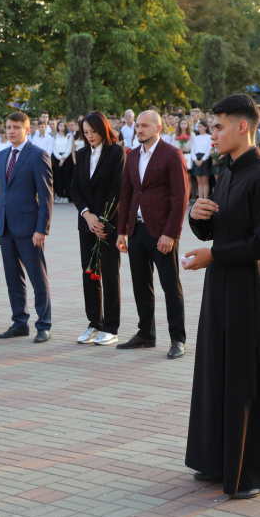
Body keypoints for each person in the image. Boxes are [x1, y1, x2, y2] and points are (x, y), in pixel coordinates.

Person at [183, 93, 260, 500]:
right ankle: (216, 459)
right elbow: (219, 230)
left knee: (244, 375)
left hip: (246, 289)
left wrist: (216, 254)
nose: (212, 134)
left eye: (219, 126)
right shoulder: (228, 172)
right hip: (220, 286)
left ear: (242, 127)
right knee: (216, 369)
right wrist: (198, 220)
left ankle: (249, 471)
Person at [115, 111, 188, 359]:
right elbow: (126, 194)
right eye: (137, 125)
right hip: (137, 231)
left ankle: (177, 339)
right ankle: (146, 333)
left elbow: (180, 198)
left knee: (170, 286)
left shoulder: (171, 154)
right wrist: (122, 231)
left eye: (145, 125)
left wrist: (171, 233)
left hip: (162, 233)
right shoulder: (132, 155)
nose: (139, 129)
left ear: (158, 128)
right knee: (140, 285)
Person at [0, 111, 54, 344]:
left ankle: (43, 324)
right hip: (5, 228)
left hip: (29, 229)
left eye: (17, 127)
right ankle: (19, 322)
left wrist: (42, 229)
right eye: (9, 127)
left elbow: (46, 196)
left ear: (27, 130)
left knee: (37, 277)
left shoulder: (37, 155)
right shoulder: (1, 155)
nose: (12, 131)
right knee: (13, 278)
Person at [70, 112, 124, 346]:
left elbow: (117, 188)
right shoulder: (82, 155)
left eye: (94, 131)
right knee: (89, 272)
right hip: (87, 223)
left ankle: (111, 327)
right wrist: (87, 215)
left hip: (107, 225)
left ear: (103, 129)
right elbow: (74, 188)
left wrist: (101, 220)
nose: (90, 136)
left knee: (110, 274)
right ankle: (94, 323)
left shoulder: (116, 153)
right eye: (86, 132)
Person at [191, 120, 213, 199]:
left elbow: (208, 150)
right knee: (199, 182)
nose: (199, 129)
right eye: (198, 127)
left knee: (205, 181)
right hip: (197, 158)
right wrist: (195, 160)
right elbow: (192, 150)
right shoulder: (196, 138)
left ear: (205, 127)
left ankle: (205, 198)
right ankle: (200, 199)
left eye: (201, 127)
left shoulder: (209, 137)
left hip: (205, 159)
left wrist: (202, 160)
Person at [52, 120, 73, 204]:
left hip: (67, 158)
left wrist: (63, 158)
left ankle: (66, 196)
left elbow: (69, 148)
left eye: (63, 126)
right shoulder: (55, 137)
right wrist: (60, 158)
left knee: (66, 177)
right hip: (57, 158)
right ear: (58, 127)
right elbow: (53, 149)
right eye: (60, 125)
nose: (62, 127)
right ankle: (60, 195)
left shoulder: (69, 136)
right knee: (58, 177)